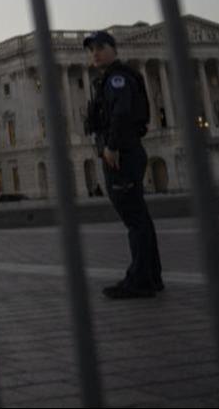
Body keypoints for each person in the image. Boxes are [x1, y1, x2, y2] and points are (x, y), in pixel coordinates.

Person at [84, 30, 163, 299]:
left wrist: (112, 145)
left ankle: (140, 280)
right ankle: (151, 277)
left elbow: (121, 112)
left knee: (134, 219)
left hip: (121, 152)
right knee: (139, 217)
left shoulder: (117, 79)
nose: (95, 52)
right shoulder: (109, 78)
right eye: (92, 48)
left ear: (113, 49)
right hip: (126, 150)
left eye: (100, 47)